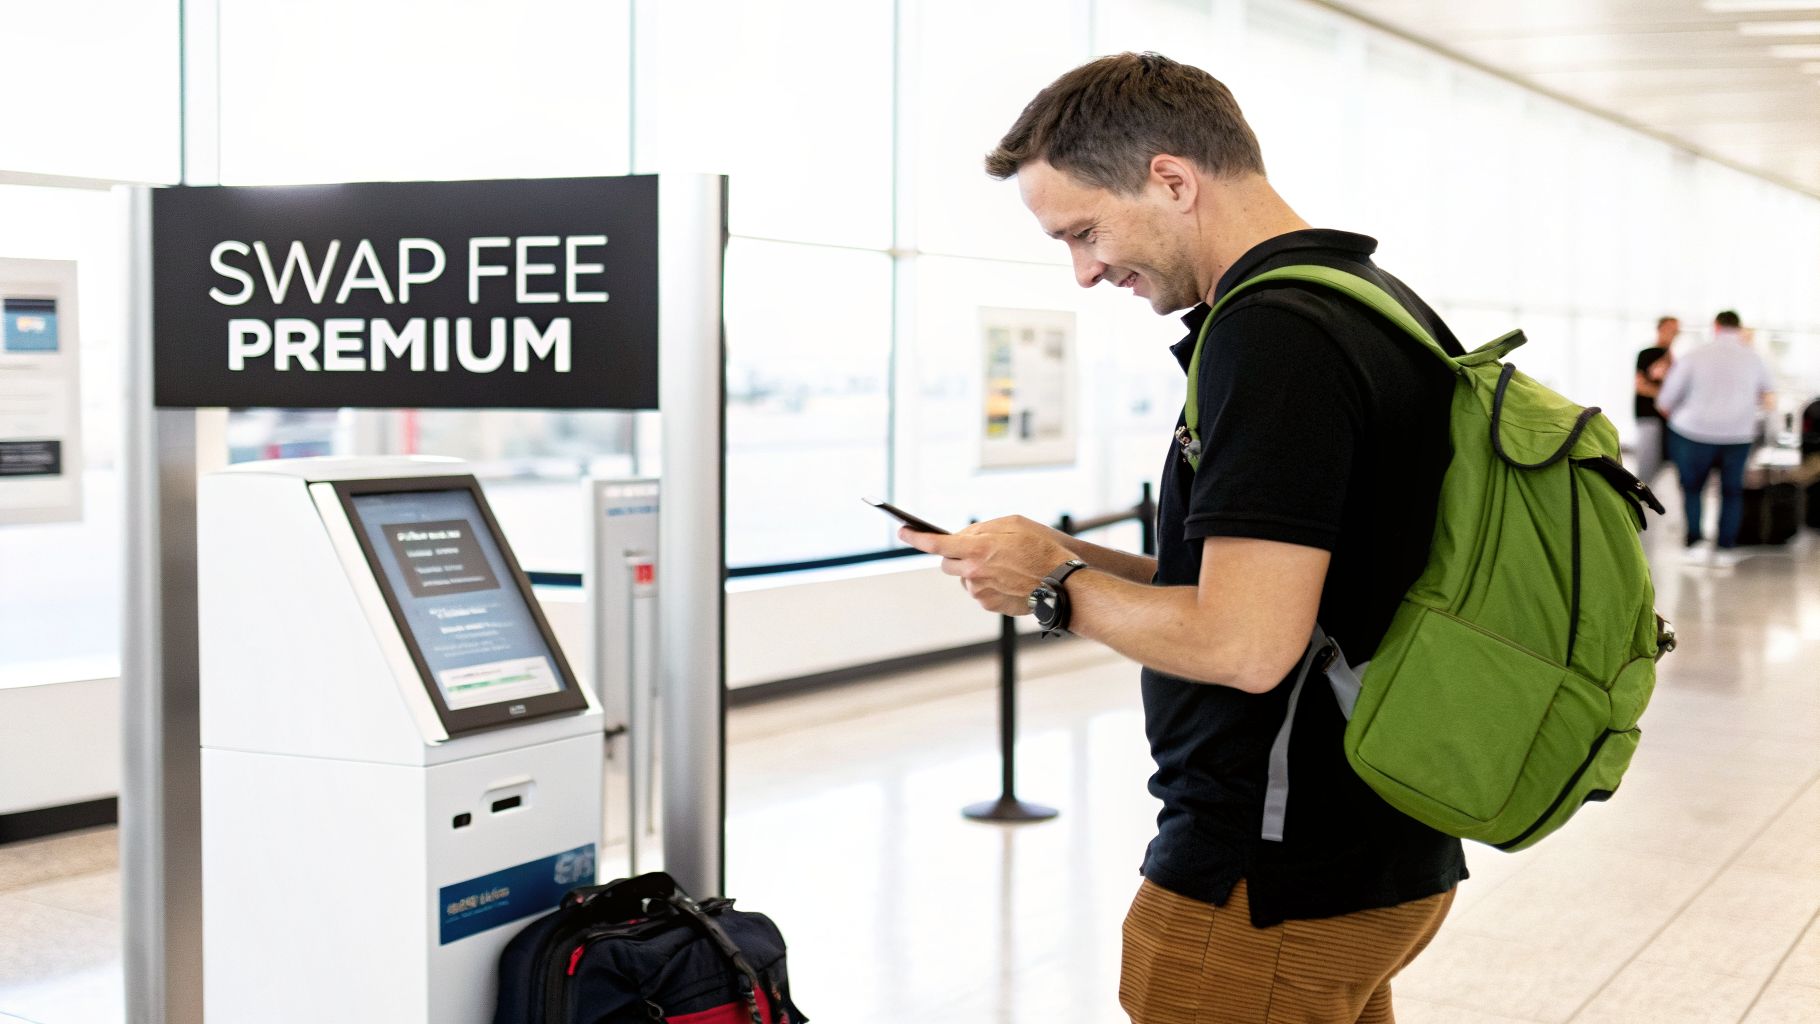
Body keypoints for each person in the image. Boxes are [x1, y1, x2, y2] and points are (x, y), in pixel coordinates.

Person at [898, 52, 1465, 1023]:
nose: (1082, 271)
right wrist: (1059, 555)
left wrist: (1055, 590)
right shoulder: (1368, 302)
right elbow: (1275, 584)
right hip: (1377, 843)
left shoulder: (1273, 336)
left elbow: (1245, 645)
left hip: (1265, 872)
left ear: (1170, 178)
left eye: (1083, 231)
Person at [1657, 310, 1775, 566]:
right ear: (1739, 327)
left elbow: (1665, 401)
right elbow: (1768, 397)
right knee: (1732, 491)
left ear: (1716, 327)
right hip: (1738, 434)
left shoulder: (1694, 356)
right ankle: (1725, 549)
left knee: (1692, 488)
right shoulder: (1755, 358)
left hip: (1693, 432)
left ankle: (1695, 544)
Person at [1634, 316, 1679, 484]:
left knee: (1663, 467)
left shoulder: (1674, 359)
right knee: (1647, 465)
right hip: (1648, 416)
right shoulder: (1647, 354)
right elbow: (1640, 386)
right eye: (1670, 329)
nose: (1673, 334)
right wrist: (1666, 396)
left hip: (1668, 420)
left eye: (1676, 330)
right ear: (1660, 329)